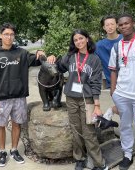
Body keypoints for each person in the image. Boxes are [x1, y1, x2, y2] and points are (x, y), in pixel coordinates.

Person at [0, 23, 48, 167]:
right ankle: (2, 152)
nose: (9, 37)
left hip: (19, 97)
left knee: (17, 124)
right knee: (1, 125)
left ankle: (14, 150)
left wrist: (40, 52)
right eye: (6, 34)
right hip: (2, 99)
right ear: (1, 36)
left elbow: (37, 59)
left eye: (11, 34)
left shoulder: (22, 53)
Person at [47, 29, 108, 170]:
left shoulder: (94, 59)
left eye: (81, 38)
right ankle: (80, 158)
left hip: (87, 100)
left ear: (87, 39)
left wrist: (97, 104)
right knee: (76, 131)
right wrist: (51, 57)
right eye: (76, 40)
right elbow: (58, 67)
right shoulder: (70, 56)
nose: (79, 42)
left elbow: (96, 83)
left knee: (89, 132)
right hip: (71, 98)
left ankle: (99, 163)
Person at [108, 14, 135, 170]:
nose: (124, 26)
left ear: (133, 23)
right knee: (125, 126)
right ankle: (127, 154)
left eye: (127, 23)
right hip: (122, 94)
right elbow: (113, 70)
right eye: (121, 24)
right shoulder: (117, 46)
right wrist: (113, 91)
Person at [95, 15, 123, 89]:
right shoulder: (99, 46)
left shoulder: (125, 39)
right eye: (107, 25)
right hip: (111, 84)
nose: (110, 27)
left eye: (112, 24)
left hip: (128, 82)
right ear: (104, 27)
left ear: (117, 25)